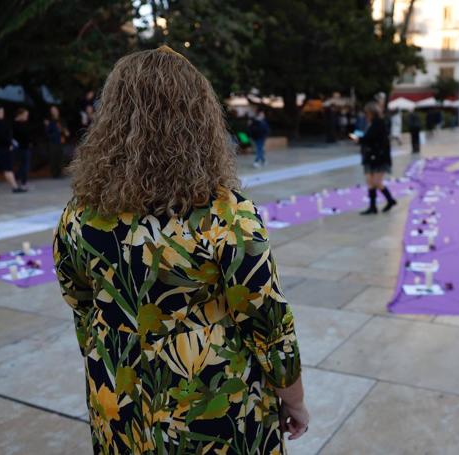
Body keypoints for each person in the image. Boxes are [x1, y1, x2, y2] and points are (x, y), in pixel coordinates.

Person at [53, 46, 308, 454]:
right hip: (212, 417)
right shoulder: (226, 216)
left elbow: (81, 303)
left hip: (121, 411)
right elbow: (269, 324)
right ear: (200, 120)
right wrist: (294, 400)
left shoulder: (80, 216)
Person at [353, 101, 397, 215]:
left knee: (377, 182)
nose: (365, 115)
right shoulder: (370, 123)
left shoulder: (378, 123)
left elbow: (372, 138)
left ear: (372, 112)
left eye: (367, 112)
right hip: (369, 156)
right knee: (370, 182)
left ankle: (390, 200)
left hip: (378, 157)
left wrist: (359, 140)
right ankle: (372, 207)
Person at [0, 105, 26, 192]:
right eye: (0, 112)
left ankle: (15, 187)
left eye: (2, 112)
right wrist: (9, 144)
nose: (2, 113)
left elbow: (7, 135)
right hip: (1, 149)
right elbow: (1, 136)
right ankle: (15, 187)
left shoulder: (3, 122)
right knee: (7, 169)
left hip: (3, 149)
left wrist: (10, 144)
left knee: (6, 168)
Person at [45, 106, 70, 178]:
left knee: (61, 157)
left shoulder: (61, 120)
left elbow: (66, 131)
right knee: (53, 157)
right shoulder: (50, 121)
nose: (54, 111)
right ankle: (54, 174)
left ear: (58, 111)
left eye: (55, 110)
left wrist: (65, 132)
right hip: (53, 142)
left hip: (61, 141)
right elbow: (47, 133)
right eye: (52, 110)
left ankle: (60, 172)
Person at [12, 108, 33, 189]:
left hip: (26, 146)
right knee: (24, 166)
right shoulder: (14, 124)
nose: (26, 117)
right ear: (20, 115)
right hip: (20, 147)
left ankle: (19, 180)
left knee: (24, 165)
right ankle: (23, 182)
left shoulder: (23, 123)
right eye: (25, 115)